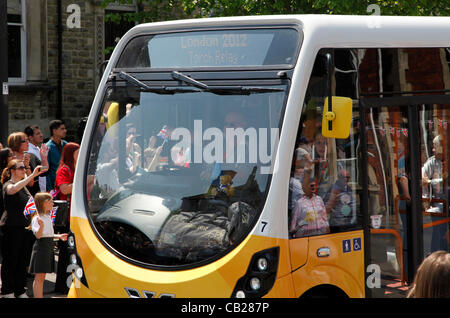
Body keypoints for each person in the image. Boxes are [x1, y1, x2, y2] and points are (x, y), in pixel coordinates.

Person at [0, 160, 47, 298]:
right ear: (12, 171)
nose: (24, 170)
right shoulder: (8, 184)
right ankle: (8, 290)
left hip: (24, 228)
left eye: (24, 168)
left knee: (22, 261)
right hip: (11, 228)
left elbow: (30, 205)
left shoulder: (25, 187)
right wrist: (31, 175)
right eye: (21, 168)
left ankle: (20, 290)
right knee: (11, 260)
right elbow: (12, 190)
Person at [28, 192, 68, 298]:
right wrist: (40, 226)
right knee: (39, 278)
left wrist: (58, 236)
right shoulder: (37, 218)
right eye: (49, 201)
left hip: (47, 247)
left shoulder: (47, 217)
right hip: (41, 248)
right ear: (43, 203)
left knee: (42, 276)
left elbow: (48, 234)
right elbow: (38, 235)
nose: (52, 203)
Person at [52, 142, 79, 293]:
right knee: (65, 252)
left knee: (72, 252)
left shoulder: (76, 168)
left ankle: (71, 284)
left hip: (74, 215)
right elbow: (64, 189)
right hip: (66, 218)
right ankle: (62, 286)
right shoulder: (65, 169)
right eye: (77, 152)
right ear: (70, 154)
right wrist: (82, 181)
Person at [289, 164, 329, 238]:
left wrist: (327, 229)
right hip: (306, 237)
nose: (313, 187)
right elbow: (294, 221)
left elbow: (324, 217)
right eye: (311, 186)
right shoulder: (300, 203)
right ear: (305, 187)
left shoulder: (319, 199)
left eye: (314, 185)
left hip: (320, 235)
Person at [8, 131, 49, 196]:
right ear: (16, 143)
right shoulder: (10, 159)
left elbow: (44, 171)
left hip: (33, 195)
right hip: (17, 196)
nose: (28, 143)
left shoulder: (31, 156)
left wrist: (44, 158)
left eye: (28, 140)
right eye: (24, 141)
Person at [24, 125, 48, 192]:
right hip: (34, 189)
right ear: (30, 137)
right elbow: (40, 170)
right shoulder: (29, 151)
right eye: (38, 134)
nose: (41, 135)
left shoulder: (37, 148)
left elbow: (45, 169)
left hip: (42, 188)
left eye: (40, 133)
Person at [46, 120, 68, 191]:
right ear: (54, 131)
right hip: (54, 184)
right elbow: (46, 170)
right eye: (62, 129)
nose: (65, 131)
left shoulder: (66, 145)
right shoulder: (48, 147)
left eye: (65, 128)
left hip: (66, 182)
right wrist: (49, 189)